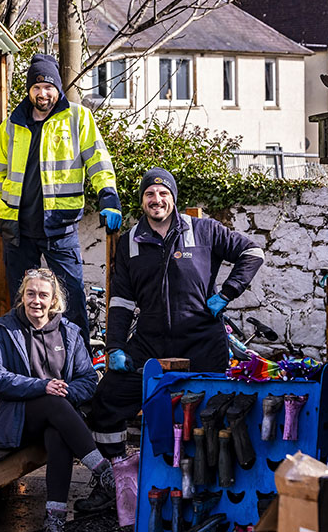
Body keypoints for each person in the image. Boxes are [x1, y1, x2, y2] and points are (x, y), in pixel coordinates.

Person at [76, 167, 264, 514]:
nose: (156, 200)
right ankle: (116, 477)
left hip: (203, 344)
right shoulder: (130, 241)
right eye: (149, 194)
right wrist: (116, 346)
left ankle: (213, 491)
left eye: (163, 194)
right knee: (108, 399)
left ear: (173, 199)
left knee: (215, 416)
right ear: (142, 200)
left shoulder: (203, 230)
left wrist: (227, 293)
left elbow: (252, 253)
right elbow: (121, 300)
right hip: (150, 346)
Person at [0, 53, 122, 340]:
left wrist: (108, 196)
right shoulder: (11, 125)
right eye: (36, 87)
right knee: (22, 304)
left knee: (71, 301)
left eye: (48, 86)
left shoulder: (77, 117)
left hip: (60, 226)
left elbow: (98, 161)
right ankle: (24, 366)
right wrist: (0, 213)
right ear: (28, 91)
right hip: (19, 229)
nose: (42, 93)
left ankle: (80, 370)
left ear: (58, 88)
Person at [0, 268, 110, 532]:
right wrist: (44, 386)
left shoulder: (70, 332)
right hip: (16, 419)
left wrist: (62, 391)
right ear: (22, 296)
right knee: (53, 402)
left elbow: (88, 378)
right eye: (30, 294)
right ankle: (105, 473)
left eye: (42, 295)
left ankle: (55, 518)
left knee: (57, 434)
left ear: (53, 300)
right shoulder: (4, 330)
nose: (36, 301)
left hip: (59, 418)